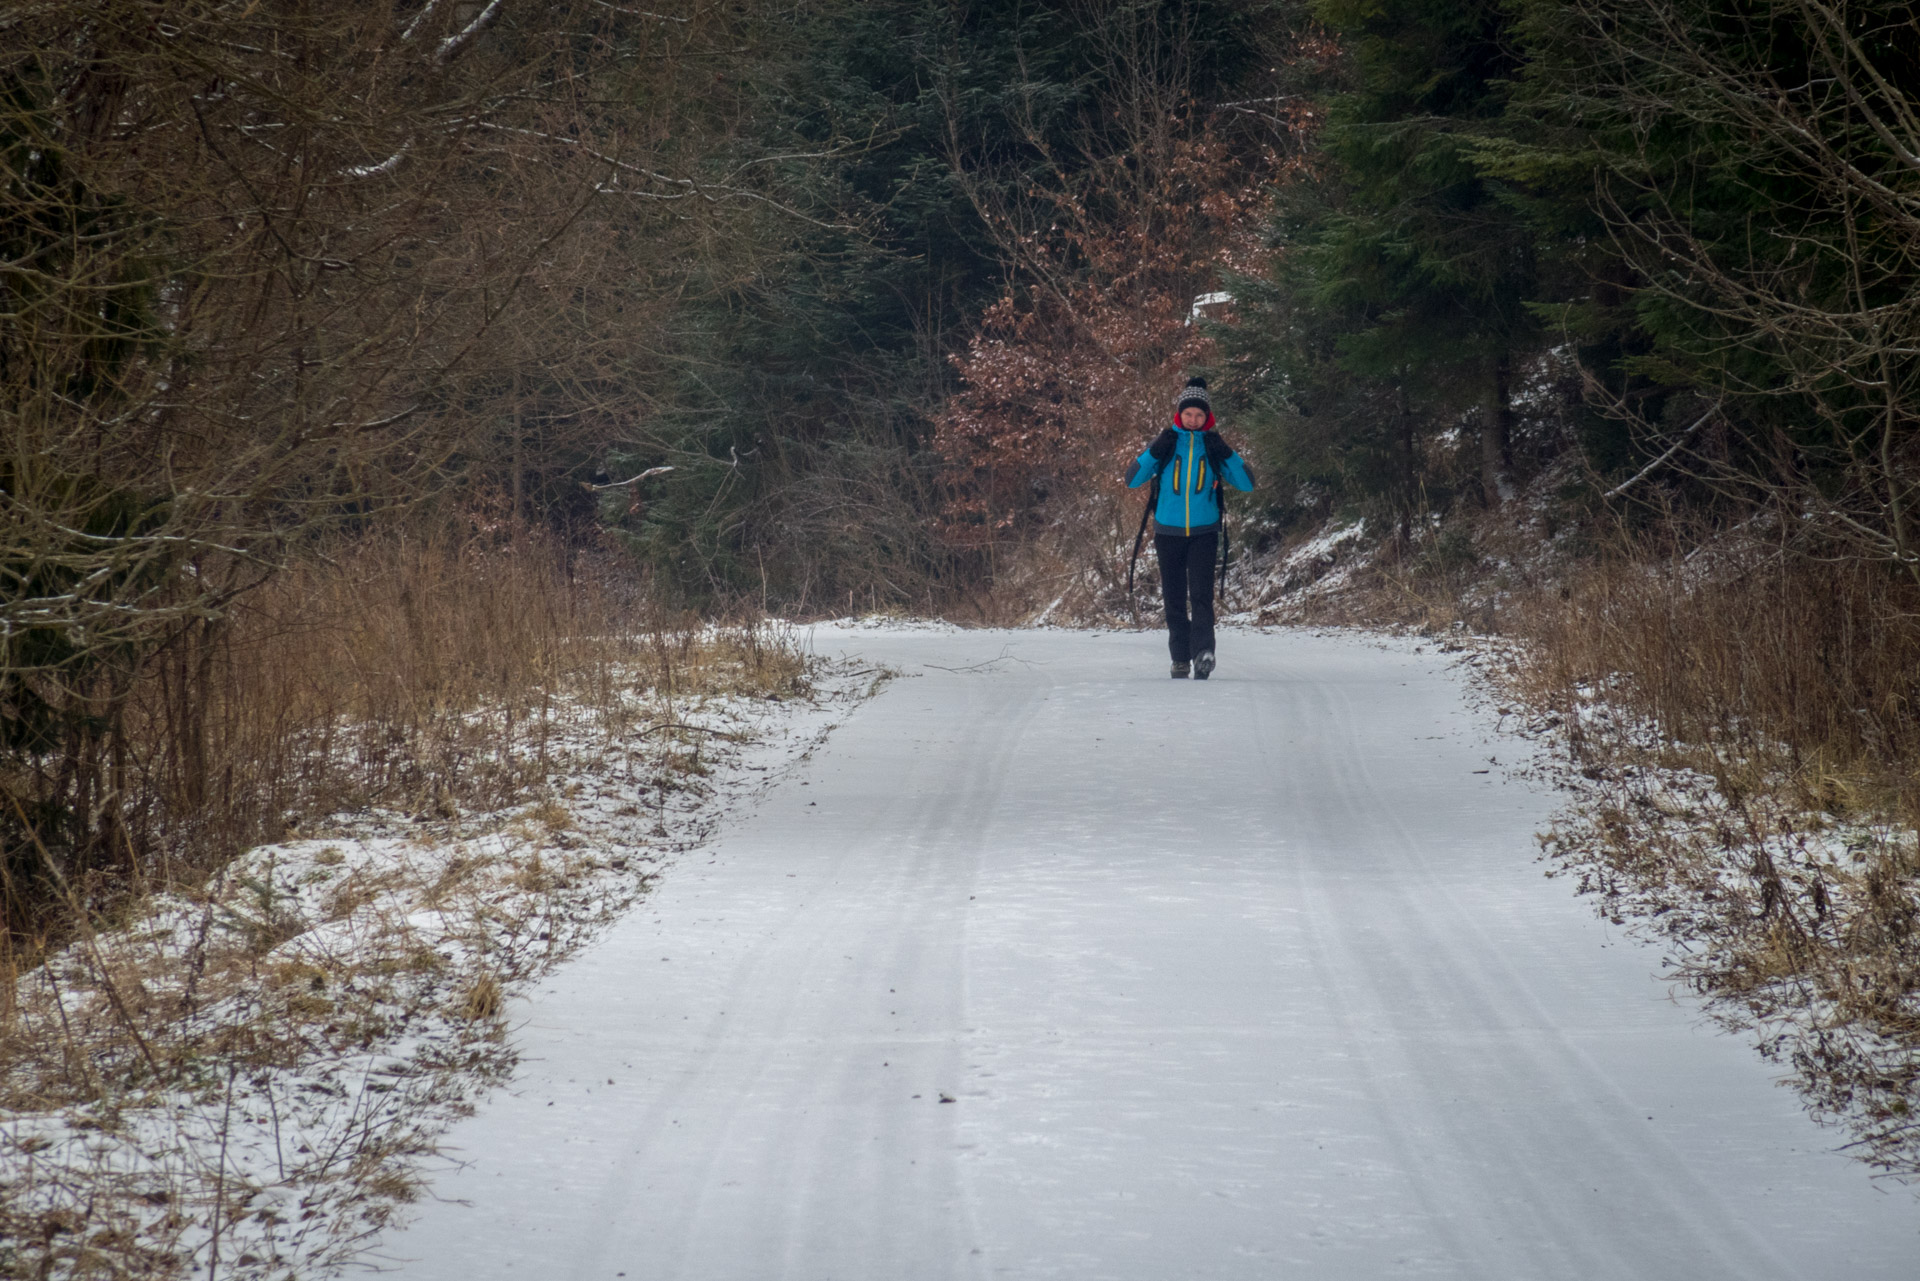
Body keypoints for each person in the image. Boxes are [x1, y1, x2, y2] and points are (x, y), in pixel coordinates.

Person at [1124, 376, 1254, 679]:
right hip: (1167, 532)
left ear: (1207, 417)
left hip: (1204, 532)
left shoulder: (1212, 446)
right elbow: (1132, 479)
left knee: (1200, 596)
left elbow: (1247, 483)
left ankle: (1204, 654)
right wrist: (1155, 448)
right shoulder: (1168, 444)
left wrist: (1225, 452)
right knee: (1173, 597)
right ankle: (1180, 658)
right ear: (1179, 414)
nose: (1193, 420)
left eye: (1199, 415)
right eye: (1188, 414)